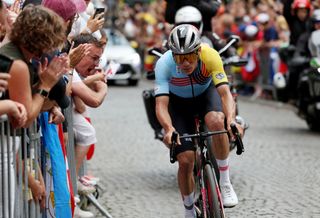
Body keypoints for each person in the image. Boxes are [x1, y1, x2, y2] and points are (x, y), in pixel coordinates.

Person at [154, 24, 238, 218]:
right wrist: (168, 128)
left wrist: (231, 121)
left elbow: (225, 94)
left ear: (198, 51)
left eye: (190, 56)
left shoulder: (210, 56)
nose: (184, 63)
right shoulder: (164, 64)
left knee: (217, 121)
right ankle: (189, 210)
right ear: (172, 55)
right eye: (179, 58)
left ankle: (225, 183)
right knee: (185, 160)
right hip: (178, 104)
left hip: (205, 96)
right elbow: (161, 105)